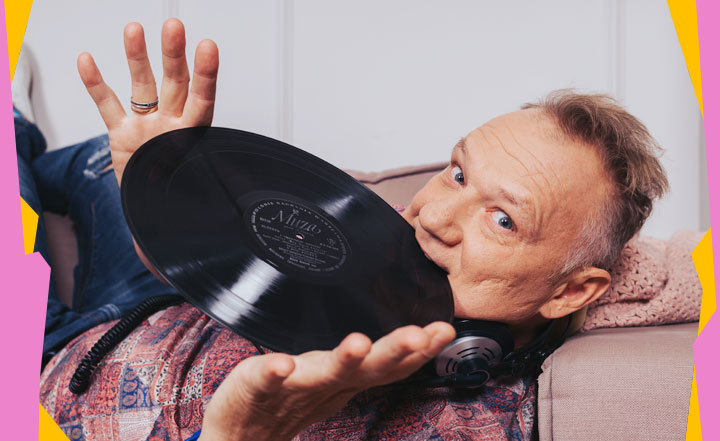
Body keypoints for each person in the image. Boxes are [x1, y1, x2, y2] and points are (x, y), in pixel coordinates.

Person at [28, 18, 668, 441]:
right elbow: (229, 273)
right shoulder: (376, 253)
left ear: (571, 292)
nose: (430, 216)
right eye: (457, 173)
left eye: (503, 219)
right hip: (136, 306)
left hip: (43, 372)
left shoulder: (469, 427)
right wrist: (163, 216)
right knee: (118, 161)